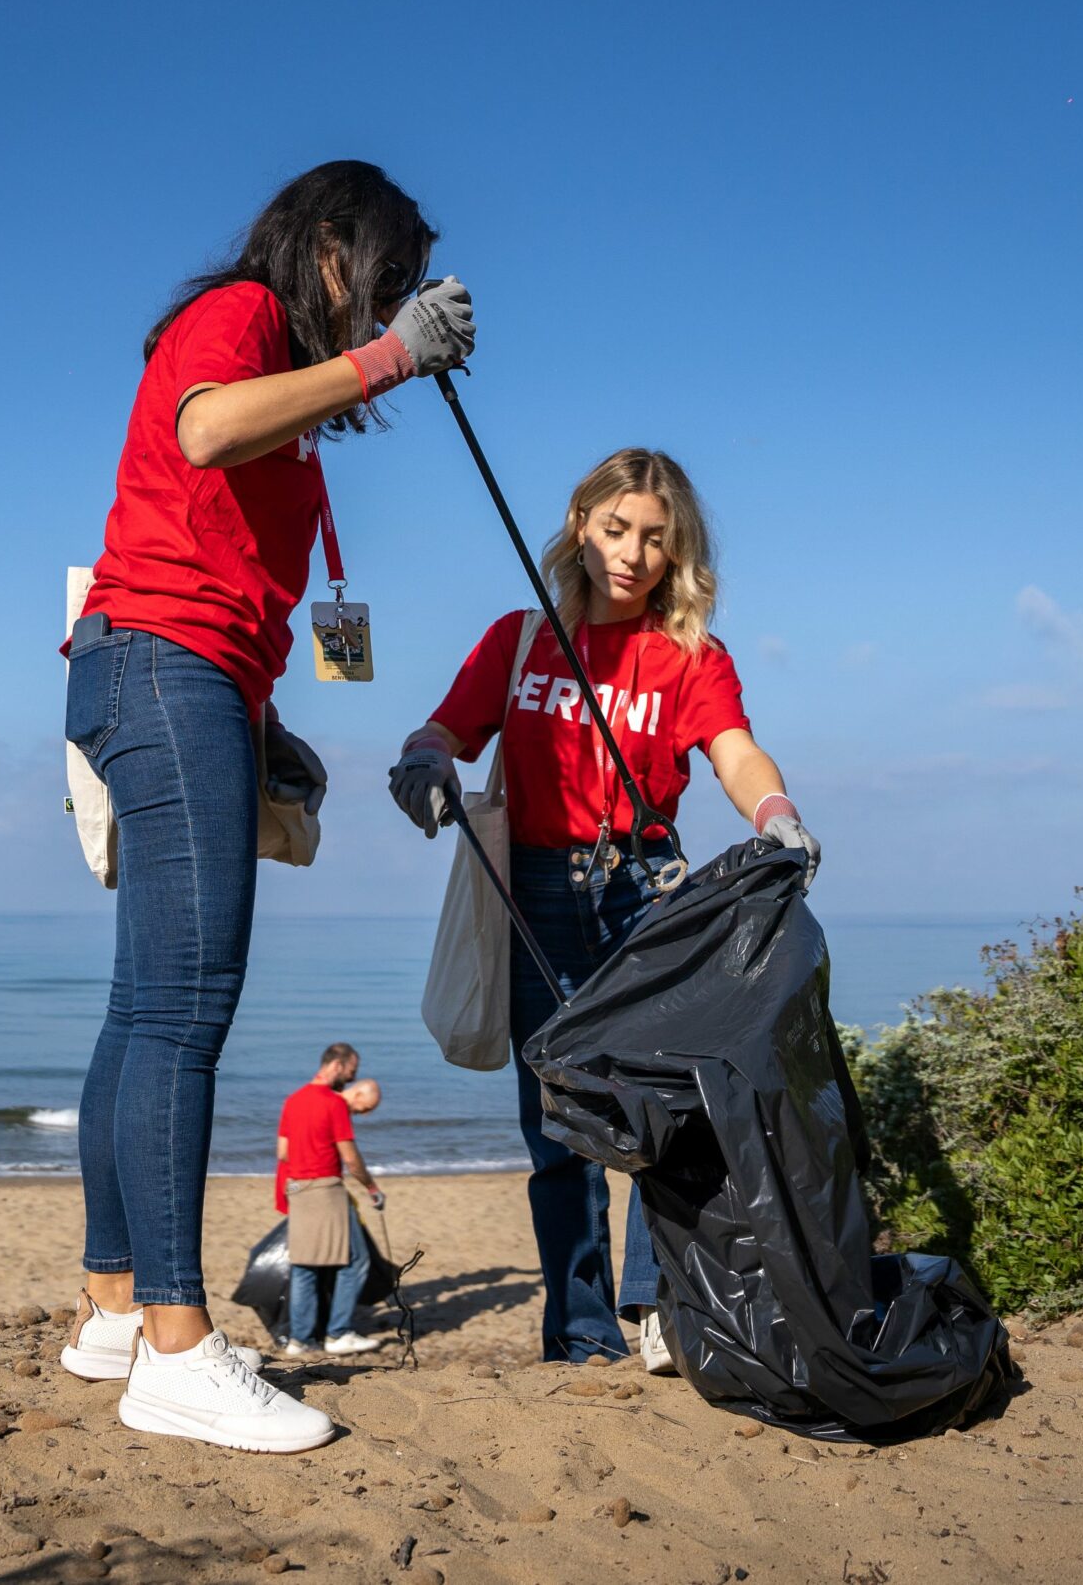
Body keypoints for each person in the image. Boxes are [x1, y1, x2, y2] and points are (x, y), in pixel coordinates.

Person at [57, 162, 474, 1452]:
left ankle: (118, 1310)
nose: (383, 310)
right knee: (186, 1009)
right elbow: (200, 432)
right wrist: (397, 360)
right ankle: (179, 1351)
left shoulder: (279, 378)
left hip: (174, 677)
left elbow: (215, 542)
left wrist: (260, 718)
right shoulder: (236, 311)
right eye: (384, 281)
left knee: (142, 1009)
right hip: (158, 666)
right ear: (332, 246)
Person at [385, 448, 821, 1368]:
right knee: (559, 1130)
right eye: (616, 529)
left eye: (655, 540)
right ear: (580, 522)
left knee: (668, 1112)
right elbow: (446, 727)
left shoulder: (689, 655)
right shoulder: (519, 637)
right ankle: (580, 1336)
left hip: (647, 887)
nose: (631, 554)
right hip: (535, 893)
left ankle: (653, 1307)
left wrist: (776, 812)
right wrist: (425, 761)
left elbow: (735, 749)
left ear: (678, 551)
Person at [272, 1044, 385, 1358]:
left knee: (305, 1267)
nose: (351, 1078)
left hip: (297, 1189)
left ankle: (300, 1340)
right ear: (337, 1065)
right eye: (351, 1071)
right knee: (355, 1260)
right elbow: (351, 1159)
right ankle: (337, 1333)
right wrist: (372, 1188)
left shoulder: (293, 1100)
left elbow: (283, 1152)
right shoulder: (333, 1103)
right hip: (325, 1188)